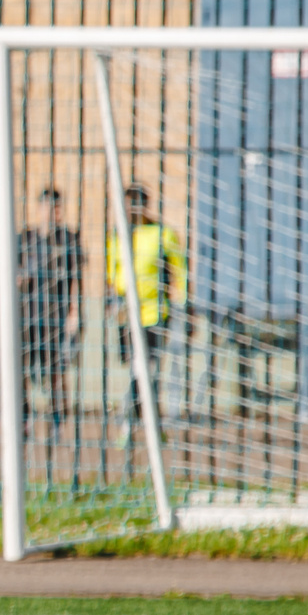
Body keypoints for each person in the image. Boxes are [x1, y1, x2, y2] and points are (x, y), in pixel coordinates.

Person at [104, 182, 186, 433]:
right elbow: (111, 273)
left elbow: (179, 271)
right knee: (133, 365)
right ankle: (143, 416)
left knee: (147, 365)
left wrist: (182, 304)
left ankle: (132, 416)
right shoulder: (117, 235)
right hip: (126, 313)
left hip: (155, 312)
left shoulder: (162, 234)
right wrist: (112, 301)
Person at [15, 187, 82, 429]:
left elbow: (76, 279)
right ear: (39, 208)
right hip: (27, 316)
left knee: (56, 371)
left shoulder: (69, 239)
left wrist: (74, 312)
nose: (52, 212)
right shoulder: (25, 238)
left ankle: (58, 421)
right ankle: (23, 420)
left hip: (56, 316)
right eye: (47, 207)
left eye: (56, 207)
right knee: (21, 369)